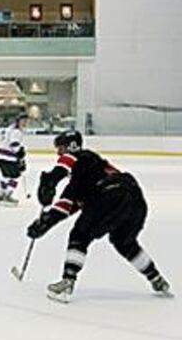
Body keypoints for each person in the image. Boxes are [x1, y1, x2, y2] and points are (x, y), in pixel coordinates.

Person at [26, 130, 172, 303]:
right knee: (124, 242)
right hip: (135, 198)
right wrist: (45, 222)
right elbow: (67, 206)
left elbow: (63, 167)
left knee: (79, 235)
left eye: (60, 148)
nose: (58, 153)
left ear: (70, 147)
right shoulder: (91, 170)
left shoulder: (78, 157)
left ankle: (68, 281)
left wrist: (50, 181)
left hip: (108, 194)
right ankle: (156, 278)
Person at [0, 114, 28, 206]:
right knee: (15, 176)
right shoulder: (16, 131)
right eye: (23, 120)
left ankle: (2, 195)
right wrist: (20, 154)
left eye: (26, 120)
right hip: (7, 157)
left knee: (5, 176)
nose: (25, 122)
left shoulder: (10, 129)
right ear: (18, 120)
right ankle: (7, 195)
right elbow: (14, 144)